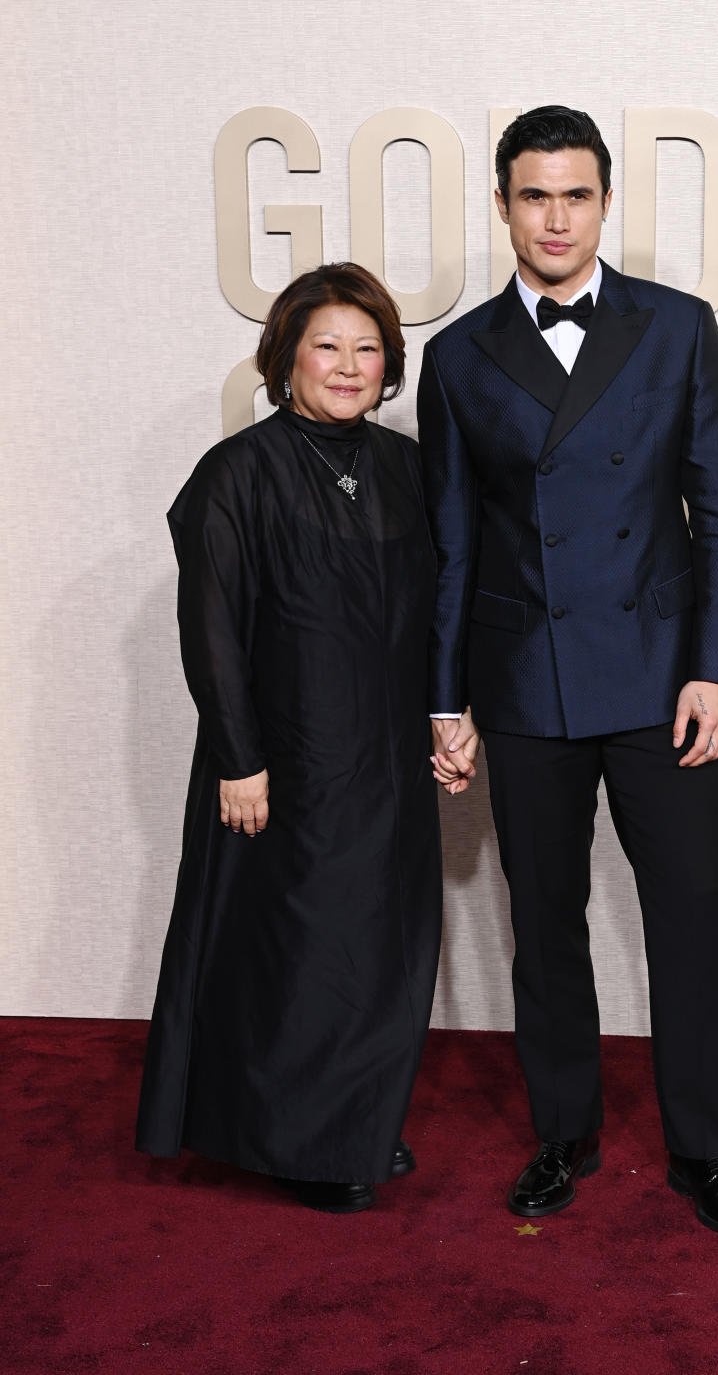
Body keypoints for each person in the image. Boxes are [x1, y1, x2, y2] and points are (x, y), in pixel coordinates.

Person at [417, 107, 718, 1236]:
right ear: (505, 207)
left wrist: (714, 669)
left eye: (575, 194)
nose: (555, 216)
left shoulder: (676, 327)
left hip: (664, 678)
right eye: (533, 195)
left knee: (686, 920)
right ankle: (561, 1135)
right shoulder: (459, 354)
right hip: (526, 682)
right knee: (547, 921)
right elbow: (454, 544)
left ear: (605, 203)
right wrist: (445, 696)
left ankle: (703, 1151)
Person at [137, 263, 442, 1214]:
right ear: (286, 356)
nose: (350, 366)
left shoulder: (405, 467)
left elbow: (440, 610)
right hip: (284, 762)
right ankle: (296, 1143)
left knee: (385, 950)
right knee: (298, 957)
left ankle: (355, 1131)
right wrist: (240, 759)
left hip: (388, 759)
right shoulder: (235, 475)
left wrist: (451, 712)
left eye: (368, 348)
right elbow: (214, 626)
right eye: (328, 346)